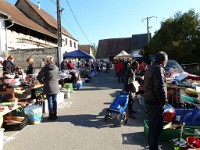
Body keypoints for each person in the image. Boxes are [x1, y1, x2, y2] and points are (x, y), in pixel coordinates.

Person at [144, 51, 168, 150]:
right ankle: (153, 148)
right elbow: (159, 88)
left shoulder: (150, 68)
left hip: (149, 100)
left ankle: (152, 147)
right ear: (163, 60)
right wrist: (164, 101)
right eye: (166, 60)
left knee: (153, 127)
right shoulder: (158, 69)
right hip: (155, 103)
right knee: (156, 129)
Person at [37, 56, 60, 120]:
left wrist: (42, 81)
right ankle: (55, 114)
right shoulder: (56, 67)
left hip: (48, 85)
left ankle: (51, 115)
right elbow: (57, 76)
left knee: (50, 101)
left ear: (47, 61)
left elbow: (39, 76)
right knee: (54, 100)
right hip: (55, 85)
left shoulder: (45, 68)